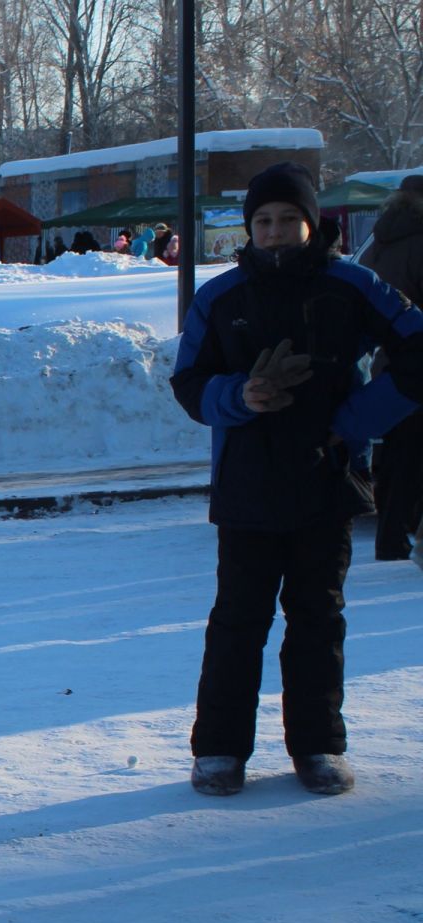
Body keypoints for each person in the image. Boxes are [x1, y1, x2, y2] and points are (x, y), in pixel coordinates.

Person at [170, 162, 423, 798]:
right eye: (263, 221)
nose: (276, 231)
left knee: (317, 619)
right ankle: (220, 750)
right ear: (248, 228)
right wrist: (239, 395)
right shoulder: (219, 297)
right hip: (247, 489)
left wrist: (355, 419)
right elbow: (189, 384)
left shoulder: (352, 286)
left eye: (288, 219)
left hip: (325, 483)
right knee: (238, 622)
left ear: (312, 223)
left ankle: (318, 745)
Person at [360, 175, 423, 561]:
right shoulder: (419, 244)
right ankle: (401, 536)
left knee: (399, 455)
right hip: (419, 358)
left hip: (388, 362)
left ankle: (391, 535)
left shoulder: (379, 241)